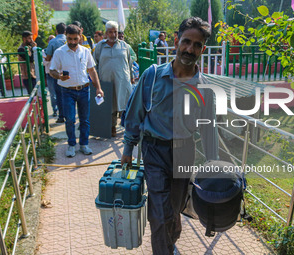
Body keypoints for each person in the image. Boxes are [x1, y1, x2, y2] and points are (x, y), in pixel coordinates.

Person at [121, 17, 219, 254]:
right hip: (154, 151)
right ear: (176, 41)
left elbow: (208, 129)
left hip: (185, 152)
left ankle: (170, 243)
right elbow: (135, 115)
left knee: (174, 208)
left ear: (203, 49)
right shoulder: (152, 76)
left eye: (197, 45)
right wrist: (127, 149)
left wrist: (214, 164)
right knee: (160, 212)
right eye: (186, 41)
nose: (190, 49)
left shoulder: (205, 88)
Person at [50, 24, 104, 157]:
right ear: (66, 37)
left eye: (75, 39)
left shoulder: (85, 51)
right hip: (67, 91)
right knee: (70, 120)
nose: (72, 42)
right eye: (70, 39)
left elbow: (92, 70)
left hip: (84, 90)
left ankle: (84, 145)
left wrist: (98, 88)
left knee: (85, 120)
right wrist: (60, 76)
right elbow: (52, 70)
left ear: (80, 37)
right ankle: (71, 145)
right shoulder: (59, 52)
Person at [93, 21, 134, 137]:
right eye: (110, 32)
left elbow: (129, 63)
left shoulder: (124, 46)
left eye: (115, 32)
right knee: (110, 105)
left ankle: (127, 127)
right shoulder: (100, 47)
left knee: (125, 104)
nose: (113, 34)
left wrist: (131, 77)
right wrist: (96, 82)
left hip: (122, 81)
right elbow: (94, 64)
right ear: (106, 33)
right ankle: (112, 127)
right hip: (106, 82)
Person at [45, 22, 67, 123]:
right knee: (70, 94)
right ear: (65, 31)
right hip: (68, 70)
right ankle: (70, 115)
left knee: (59, 94)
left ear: (56, 31)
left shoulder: (53, 42)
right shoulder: (69, 40)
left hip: (56, 72)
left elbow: (48, 57)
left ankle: (61, 116)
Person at [43, 35, 56, 116]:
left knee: (60, 93)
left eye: (53, 39)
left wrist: (47, 58)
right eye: (50, 39)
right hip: (50, 74)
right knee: (52, 94)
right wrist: (49, 58)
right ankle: (55, 110)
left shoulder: (58, 50)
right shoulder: (44, 51)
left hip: (58, 74)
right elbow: (44, 63)